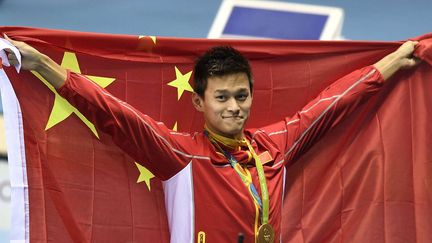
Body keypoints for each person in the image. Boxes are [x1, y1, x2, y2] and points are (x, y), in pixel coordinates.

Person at [3, 34, 420, 243]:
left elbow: (334, 104)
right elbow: (112, 112)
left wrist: (394, 61)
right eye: (221, 98)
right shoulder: (182, 155)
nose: (233, 107)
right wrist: (41, 63)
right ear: (200, 103)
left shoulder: (275, 146)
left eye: (241, 96)